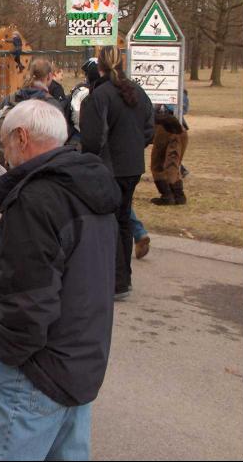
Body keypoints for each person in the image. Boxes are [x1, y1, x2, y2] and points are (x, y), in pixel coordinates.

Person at [0, 99, 120, 462]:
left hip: (37, 371)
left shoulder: (36, 199)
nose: (3, 155)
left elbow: (31, 307)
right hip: (82, 358)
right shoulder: (88, 184)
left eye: (3, 143)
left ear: (21, 137)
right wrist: (6, 266)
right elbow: (78, 264)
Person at [80, 46, 154, 300]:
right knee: (122, 220)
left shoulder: (99, 96)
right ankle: (122, 280)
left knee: (109, 223)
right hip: (132, 166)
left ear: (99, 67)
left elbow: (91, 140)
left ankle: (116, 281)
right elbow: (148, 130)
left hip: (109, 168)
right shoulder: (137, 92)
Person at [150, 93, 190, 206]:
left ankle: (167, 195)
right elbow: (185, 108)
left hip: (165, 127)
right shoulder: (179, 87)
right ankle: (178, 195)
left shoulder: (158, 90)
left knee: (158, 163)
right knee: (173, 163)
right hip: (179, 127)